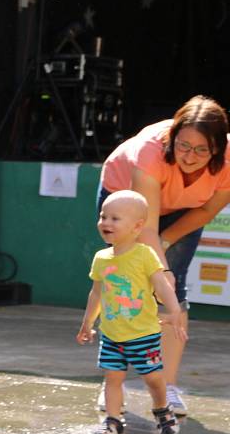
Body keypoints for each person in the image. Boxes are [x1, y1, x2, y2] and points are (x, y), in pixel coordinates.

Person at [98, 95, 230, 415]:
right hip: (129, 204)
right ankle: (112, 384)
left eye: (201, 149)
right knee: (126, 287)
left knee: (175, 293)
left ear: (217, 147)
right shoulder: (150, 151)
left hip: (185, 210)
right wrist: (162, 273)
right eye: (183, 146)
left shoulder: (228, 159)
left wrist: (168, 246)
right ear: (173, 138)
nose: (190, 156)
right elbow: (146, 224)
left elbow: (209, 209)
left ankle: (168, 386)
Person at [77, 190, 187, 434]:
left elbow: (161, 286)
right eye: (103, 216)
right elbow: (96, 295)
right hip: (112, 334)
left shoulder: (145, 255)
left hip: (143, 334)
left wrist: (174, 311)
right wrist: (87, 324)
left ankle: (162, 410)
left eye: (115, 218)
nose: (106, 222)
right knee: (113, 378)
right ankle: (113, 421)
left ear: (137, 226)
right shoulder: (101, 258)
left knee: (153, 378)